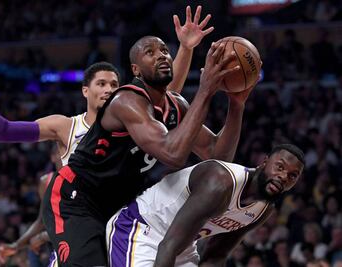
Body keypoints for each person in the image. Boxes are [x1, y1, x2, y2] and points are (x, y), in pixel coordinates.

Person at [0, 6, 216, 266]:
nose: (108, 89)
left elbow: (169, 94)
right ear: (85, 91)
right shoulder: (64, 126)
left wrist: (186, 48)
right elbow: (2, 131)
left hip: (116, 208)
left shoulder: (134, 113)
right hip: (79, 208)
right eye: (101, 84)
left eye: (113, 83)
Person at [40, 27, 252, 265]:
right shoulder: (126, 101)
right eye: (150, 52)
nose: (161, 55)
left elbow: (218, 155)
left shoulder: (176, 106)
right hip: (77, 198)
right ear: (135, 70)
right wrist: (205, 90)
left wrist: (236, 104)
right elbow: (173, 155)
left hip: (117, 203)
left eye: (164, 50)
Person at [106, 144, 305, 267]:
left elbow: (217, 255)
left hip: (182, 245)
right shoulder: (221, 182)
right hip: (142, 229)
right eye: (280, 167)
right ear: (264, 163)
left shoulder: (263, 208)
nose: (283, 176)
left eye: (292, 176)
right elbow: (168, 245)